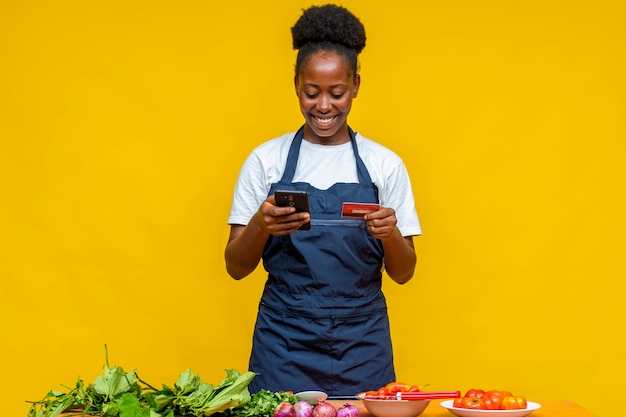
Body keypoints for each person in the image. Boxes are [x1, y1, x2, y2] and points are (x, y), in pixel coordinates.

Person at [225, 4, 421, 395]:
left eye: (337, 93)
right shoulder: (266, 161)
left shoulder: (385, 165)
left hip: (362, 344)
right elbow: (235, 266)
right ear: (296, 85)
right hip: (284, 343)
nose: (325, 106)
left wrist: (390, 234)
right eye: (312, 93)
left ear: (357, 86)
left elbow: (404, 273)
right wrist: (262, 226)